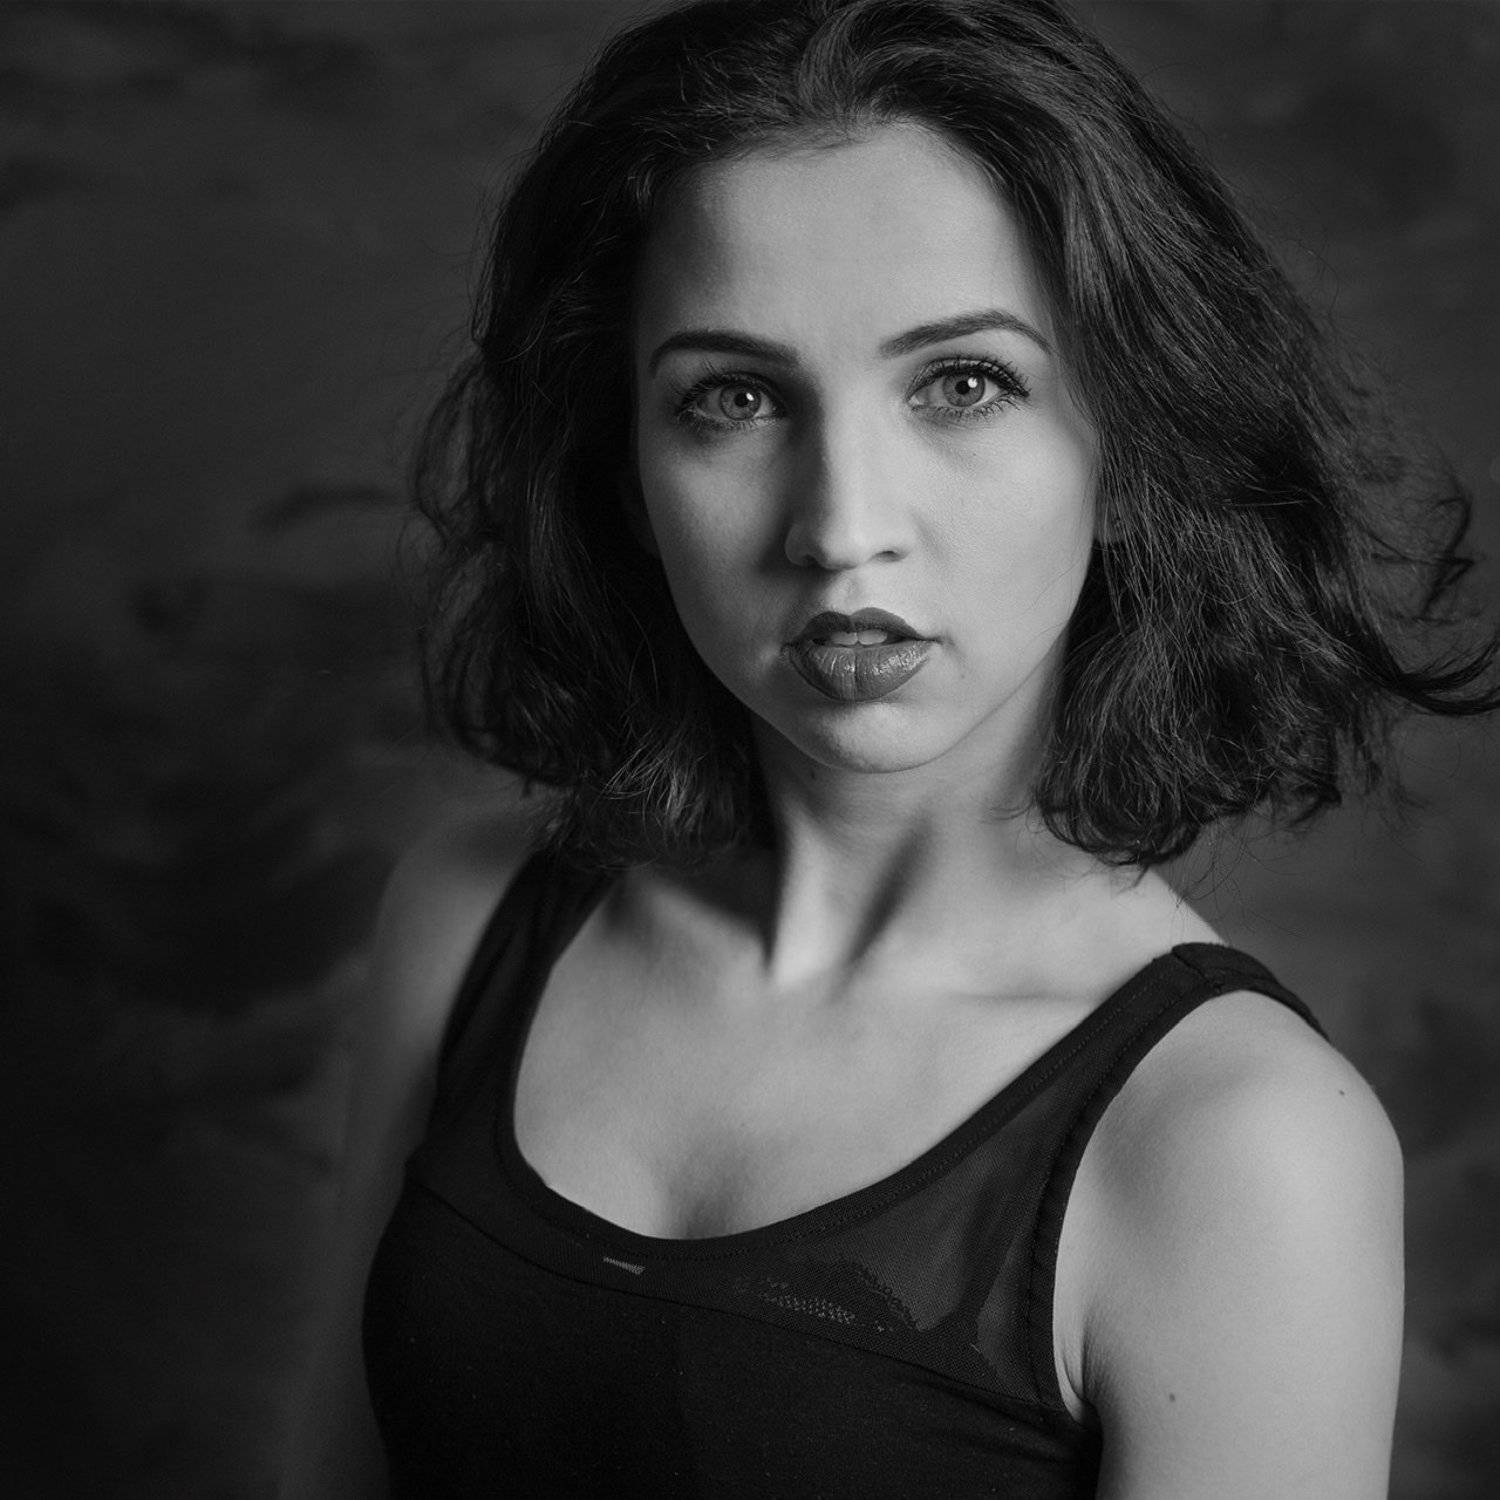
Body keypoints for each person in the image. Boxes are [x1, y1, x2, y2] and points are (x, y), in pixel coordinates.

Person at [284, 1, 1497, 1495]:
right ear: (624, 470)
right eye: (735, 398)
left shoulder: (1241, 1141)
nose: (842, 527)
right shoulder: (469, 914)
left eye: (963, 384)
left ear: (1131, 446)